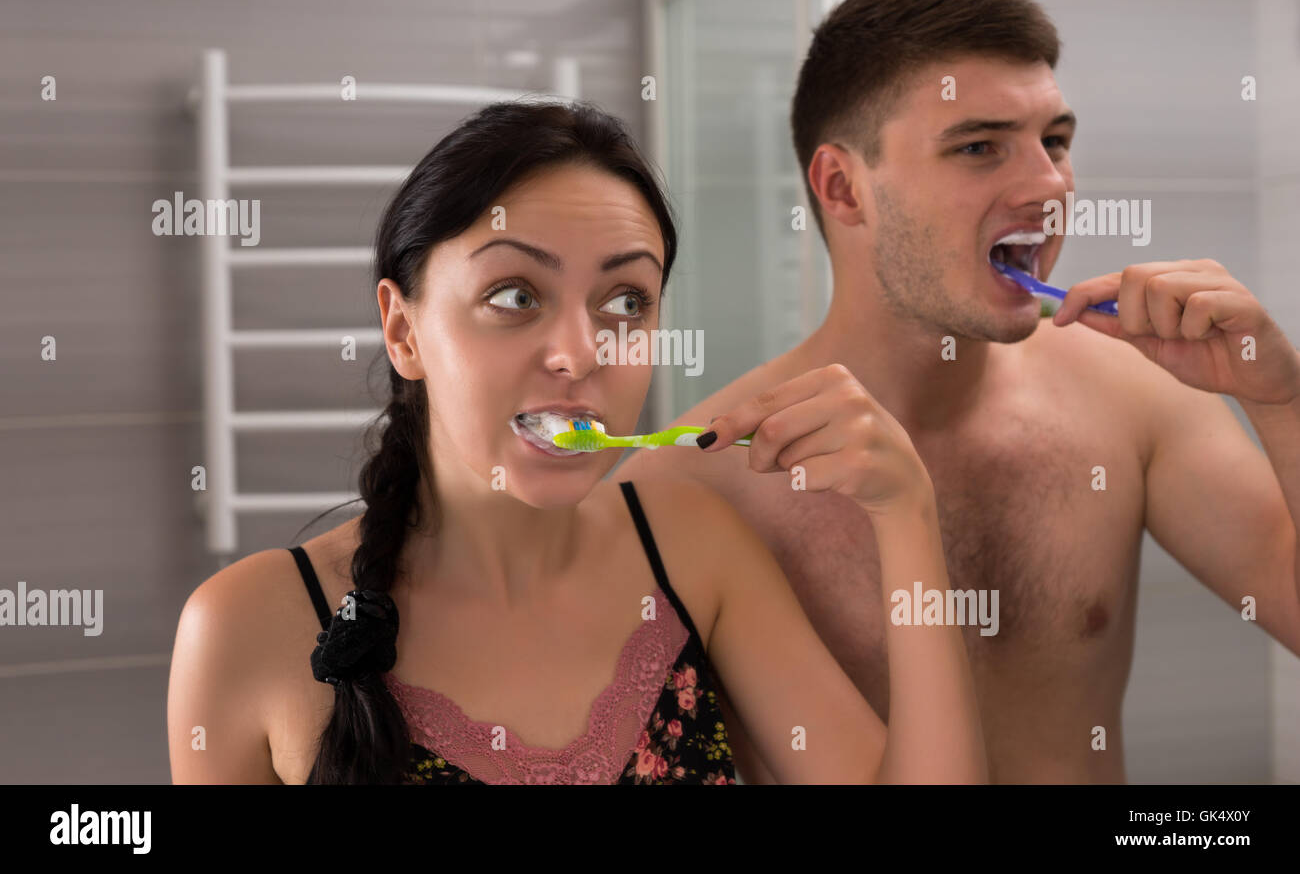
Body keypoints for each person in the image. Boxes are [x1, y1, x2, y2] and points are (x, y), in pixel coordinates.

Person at [166, 100, 986, 784]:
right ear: (403, 329)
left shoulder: (693, 553)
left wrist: (906, 515)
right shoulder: (250, 628)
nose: (581, 351)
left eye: (626, 302)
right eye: (516, 294)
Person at [617, 0, 1300, 784]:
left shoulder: (1128, 393)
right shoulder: (696, 484)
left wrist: (1281, 399)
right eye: (979, 146)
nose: (1049, 184)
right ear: (843, 188)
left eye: (1055, 140)